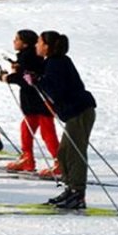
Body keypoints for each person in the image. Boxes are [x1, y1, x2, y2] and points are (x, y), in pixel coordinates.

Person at [33, 31, 96, 210]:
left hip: (80, 111)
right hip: (76, 112)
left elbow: (57, 91)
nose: (37, 45)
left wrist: (39, 81)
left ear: (47, 46)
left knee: (75, 152)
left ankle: (77, 193)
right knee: (64, 152)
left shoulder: (56, 63)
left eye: (39, 42)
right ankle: (70, 189)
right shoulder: (54, 62)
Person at [0, 30, 60, 176]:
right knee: (27, 128)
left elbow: (26, 79)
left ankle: (59, 162)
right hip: (32, 101)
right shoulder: (30, 55)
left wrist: (7, 78)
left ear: (25, 43)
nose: (14, 41)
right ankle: (27, 158)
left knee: (47, 131)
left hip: (39, 100)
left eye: (17, 39)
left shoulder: (28, 56)